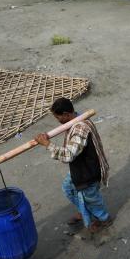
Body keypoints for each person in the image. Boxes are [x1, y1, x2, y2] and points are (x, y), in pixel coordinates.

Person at [35, 98, 112, 234]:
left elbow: (68, 155)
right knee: (68, 188)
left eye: (58, 117)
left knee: (92, 198)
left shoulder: (80, 129)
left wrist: (47, 144)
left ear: (66, 114)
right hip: (79, 168)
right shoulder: (74, 119)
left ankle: (104, 219)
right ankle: (84, 211)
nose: (57, 120)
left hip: (88, 172)